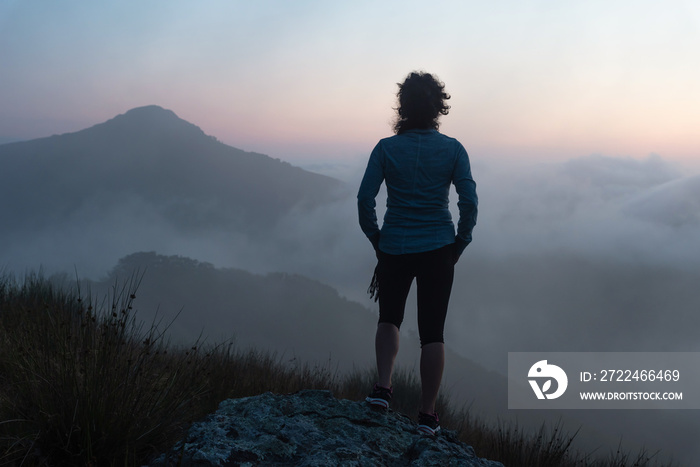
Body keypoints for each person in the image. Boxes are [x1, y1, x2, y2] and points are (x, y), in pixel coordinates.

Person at [357, 71, 478, 436]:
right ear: (439, 107)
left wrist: (377, 238)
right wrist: (460, 242)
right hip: (439, 247)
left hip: (393, 245)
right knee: (432, 333)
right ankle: (427, 415)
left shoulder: (386, 148)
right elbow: (468, 201)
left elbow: (365, 199)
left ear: (403, 106)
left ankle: (382, 390)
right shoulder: (454, 149)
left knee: (389, 318)